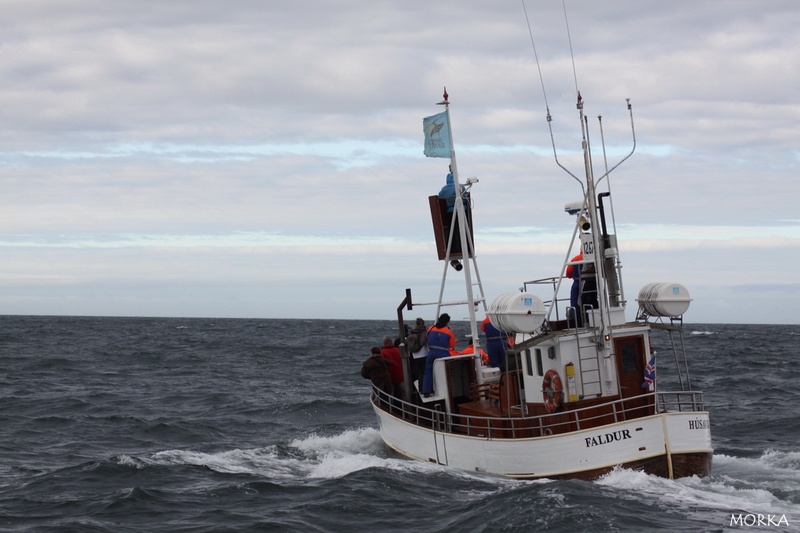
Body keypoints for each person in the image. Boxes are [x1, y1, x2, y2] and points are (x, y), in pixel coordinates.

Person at [421, 313, 457, 396]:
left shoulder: (430, 328)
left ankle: (426, 391)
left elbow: (426, 338)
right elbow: (452, 345)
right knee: (445, 372)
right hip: (443, 354)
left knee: (428, 371)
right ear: (447, 322)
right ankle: (446, 391)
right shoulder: (449, 332)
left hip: (431, 353)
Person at [406, 318, 428, 383]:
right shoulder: (424, 332)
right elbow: (425, 342)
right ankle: (425, 388)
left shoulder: (412, 332)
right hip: (424, 354)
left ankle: (420, 387)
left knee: (419, 372)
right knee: (425, 372)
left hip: (415, 355)